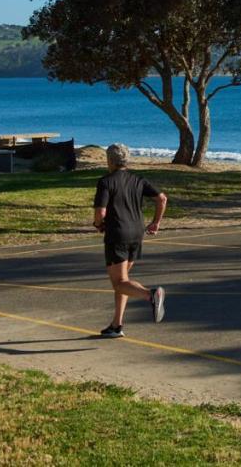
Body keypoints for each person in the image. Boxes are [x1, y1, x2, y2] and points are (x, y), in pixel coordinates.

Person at [92, 143, 167, 337]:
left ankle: (150, 295)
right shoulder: (138, 180)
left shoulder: (106, 182)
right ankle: (117, 325)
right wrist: (156, 223)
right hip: (136, 233)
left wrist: (98, 224)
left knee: (118, 282)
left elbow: (101, 212)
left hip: (117, 234)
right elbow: (162, 198)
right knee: (123, 281)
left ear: (109, 161)